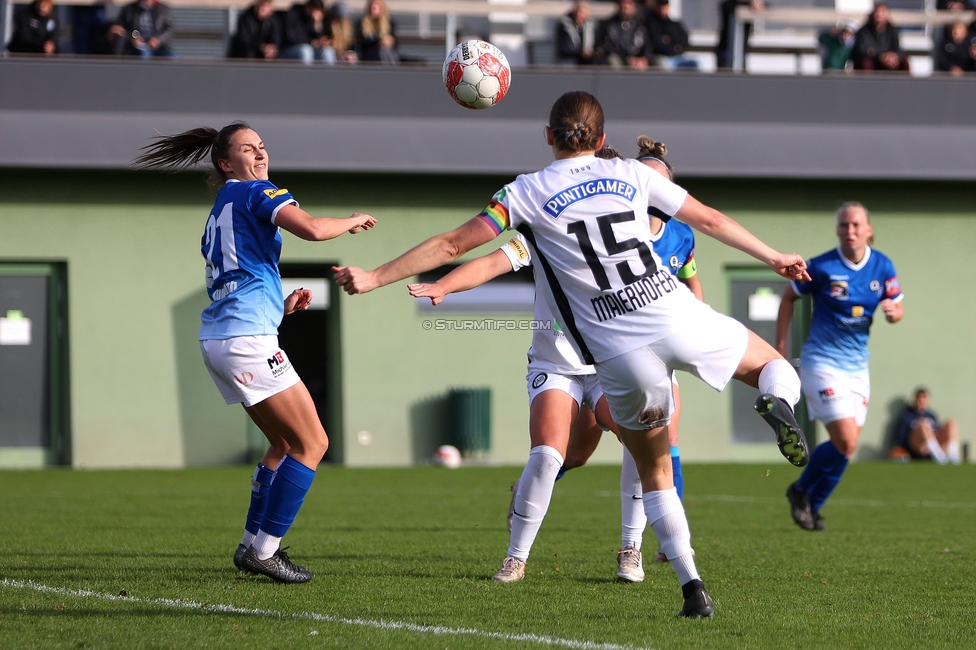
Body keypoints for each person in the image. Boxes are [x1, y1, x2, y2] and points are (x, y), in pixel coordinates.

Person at [334, 90, 811, 618]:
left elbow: (452, 245)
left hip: (619, 351)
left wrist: (376, 275)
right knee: (774, 367)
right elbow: (712, 220)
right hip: (672, 314)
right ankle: (778, 403)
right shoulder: (634, 175)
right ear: (603, 140)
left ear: (547, 136)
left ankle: (691, 584)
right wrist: (775, 257)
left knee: (652, 469)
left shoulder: (527, 193)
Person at [133, 122, 376, 583]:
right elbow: (311, 229)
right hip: (245, 341)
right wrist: (350, 220)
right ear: (225, 164)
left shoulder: (219, 209)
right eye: (248, 149)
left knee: (283, 445)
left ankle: (250, 542)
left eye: (262, 147)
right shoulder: (252, 192)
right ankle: (265, 550)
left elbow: (235, 282)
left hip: (224, 340)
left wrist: (278, 309)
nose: (260, 154)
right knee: (313, 443)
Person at [777, 202, 904, 533]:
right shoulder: (821, 266)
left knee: (845, 450)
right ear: (838, 230)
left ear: (869, 230)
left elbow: (899, 307)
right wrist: (780, 346)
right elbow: (788, 297)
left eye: (856, 225)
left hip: (858, 367)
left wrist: (893, 312)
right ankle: (801, 491)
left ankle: (813, 506)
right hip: (822, 362)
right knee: (846, 441)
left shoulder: (883, 266)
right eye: (844, 225)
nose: (850, 230)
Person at [894, 388, 961, 464]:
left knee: (951, 422)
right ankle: (939, 457)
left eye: (924, 398)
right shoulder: (907, 416)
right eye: (919, 398)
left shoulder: (931, 415)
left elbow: (936, 430)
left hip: (932, 444)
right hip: (917, 447)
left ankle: (952, 455)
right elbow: (900, 438)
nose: (921, 401)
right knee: (923, 424)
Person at [853, 3, 909, 72]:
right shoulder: (864, 31)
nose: (879, 17)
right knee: (866, 63)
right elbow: (863, 49)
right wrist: (881, 56)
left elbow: (898, 48)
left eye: (882, 13)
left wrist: (893, 56)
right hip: (874, 60)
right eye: (877, 14)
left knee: (904, 63)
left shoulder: (893, 30)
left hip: (889, 62)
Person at [109, 0, 175, 58]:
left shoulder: (163, 9)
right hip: (137, 46)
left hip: (159, 46)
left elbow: (169, 29)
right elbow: (120, 29)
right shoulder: (130, 9)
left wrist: (158, 39)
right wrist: (133, 37)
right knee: (144, 55)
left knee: (171, 57)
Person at [599, 0, 652, 70]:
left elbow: (648, 43)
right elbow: (609, 46)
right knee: (612, 59)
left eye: (629, 4)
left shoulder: (642, 24)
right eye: (623, 4)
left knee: (659, 63)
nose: (625, 7)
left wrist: (645, 58)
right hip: (620, 58)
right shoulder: (610, 25)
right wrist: (626, 58)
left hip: (638, 59)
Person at [646, 0, 697, 71]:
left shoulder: (674, 24)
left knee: (694, 64)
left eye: (664, 6)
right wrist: (673, 47)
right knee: (663, 64)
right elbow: (657, 44)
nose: (662, 9)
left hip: (678, 57)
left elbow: (684, 40)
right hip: (663, 57)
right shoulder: (652, 24)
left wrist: (671, 44)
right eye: (660, 6)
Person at [281, 0, 336, 64]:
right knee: (306, 50)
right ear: (309, 7)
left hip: (311, 48)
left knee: (328, 51)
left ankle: (329, 73)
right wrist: (311, 42)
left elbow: (319, 38)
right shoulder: (292, 16)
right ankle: (306, 73)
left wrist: (317, 24)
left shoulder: (315, 20)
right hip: (290, 48)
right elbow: (291, 38)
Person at [715, 0, 764, 70]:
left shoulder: (749, 6)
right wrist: (751, 5)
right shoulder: (728, 5)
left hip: (742, 51)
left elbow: (767, 7)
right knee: (725, 77)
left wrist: (759, 5)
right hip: (725, 50)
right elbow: (732, 8)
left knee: (741, 77)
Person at [555, 1, 598, 65]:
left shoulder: (593, 27)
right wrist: (579, 53)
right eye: (577, 11)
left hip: (589, 62)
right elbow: (563, 48)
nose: (579, 14)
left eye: (582, 12)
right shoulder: (564, 27)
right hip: (569, 61)